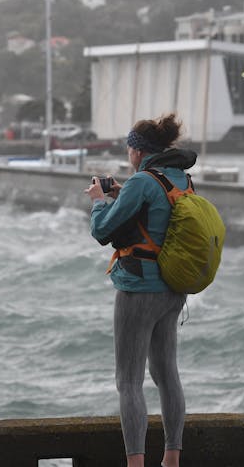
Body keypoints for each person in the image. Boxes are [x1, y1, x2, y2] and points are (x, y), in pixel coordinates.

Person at [84, 114, 197, 467]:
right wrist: (122, 194)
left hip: (138, 289)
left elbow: (103, 231)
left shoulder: (141, 182)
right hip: (173, 290)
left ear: (137, 150)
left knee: (128, 381)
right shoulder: (180, 179)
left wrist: (100, 200)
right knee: (166, 374)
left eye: (129, 148)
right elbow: (157, 217)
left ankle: (135, 465)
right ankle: (171, 459)